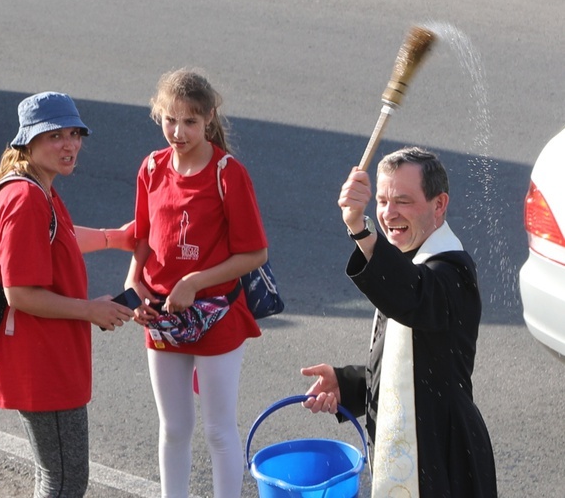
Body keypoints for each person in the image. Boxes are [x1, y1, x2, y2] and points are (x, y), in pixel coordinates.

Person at [301, 148, 498, 497]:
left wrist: (361, 230)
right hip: (418, 446)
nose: (389, 214)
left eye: (403, 201)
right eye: (382, 200)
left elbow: (412, 296)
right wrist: (347, 383)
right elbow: (410, 368)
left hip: (445, 456)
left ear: (439, 205)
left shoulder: (452, 272)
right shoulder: (407, 258)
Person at [0, 91, 136, 498]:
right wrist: (91, 310)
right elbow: (19, 293)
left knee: (52, 476)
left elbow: (58, 238)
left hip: (44, 355)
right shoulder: (25, 198)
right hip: (41, 361)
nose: (69, 145)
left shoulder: (36, 187)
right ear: (28, 142)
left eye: (75, 133)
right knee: (65, 482)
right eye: (54, 136)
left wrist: (115, 238)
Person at [125, 68, 268, 497]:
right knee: (173, 428)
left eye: (189, 121)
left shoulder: (228, 173)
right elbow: (144, 239)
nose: (178, 131)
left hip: (216, 315)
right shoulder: (151, 167)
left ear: (208, 118)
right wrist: (135, 283)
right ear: (159, 116)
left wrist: (194, 281)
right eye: (170, 119)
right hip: (163, 317)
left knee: (219, 431)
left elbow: (255, 253)